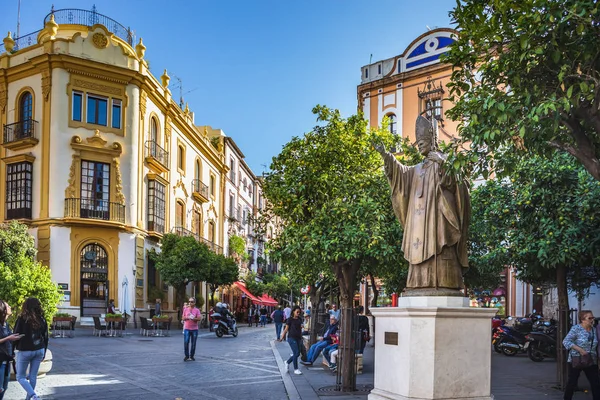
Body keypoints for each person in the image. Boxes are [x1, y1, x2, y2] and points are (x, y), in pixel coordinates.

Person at [375, 116, 470, 295]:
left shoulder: (446, 160)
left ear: (432, 140)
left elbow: (460, 183)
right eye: (417, 142)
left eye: (422, 141)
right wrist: (387, 156)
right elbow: (401, 174)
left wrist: (442, 162)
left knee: (442, 252)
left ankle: (444, 283)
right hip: (418, 226)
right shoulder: (416, 169)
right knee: (417, 252)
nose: (419, 145)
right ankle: (418, 283)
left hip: (439, 223)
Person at [14, 297, 49, 400]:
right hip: (39, 350)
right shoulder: (42, 319)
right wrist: (44, 352)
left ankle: (33, 396)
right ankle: (29, 398)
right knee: (33, 376)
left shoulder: (22, 319)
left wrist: (11, 350)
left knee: (20, 377)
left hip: (25, 350)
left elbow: (16, 335)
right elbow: (46, 337)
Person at [563, 310, 600, 400]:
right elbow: (566, 341)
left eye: (593, 317)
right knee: (572, 382)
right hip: (577, 359)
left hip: (591, 359)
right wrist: (580, 349)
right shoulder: (576, 329)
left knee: (595, 383)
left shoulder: (594, 330)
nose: (592, 320)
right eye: (590, 318)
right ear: (583, 320)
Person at [0, 300, 21, 400]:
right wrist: (9, 338)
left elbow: (9, 339)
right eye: (8, 306)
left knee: (4, 387)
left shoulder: (6, 324)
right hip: (0, 362)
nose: (10, 307)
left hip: (7, 360)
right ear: (2, 310)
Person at [279, 306, 303, 375]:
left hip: (298, 338)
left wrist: (301, 337)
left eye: (299, 312)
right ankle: (296, 369)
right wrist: (282, 337)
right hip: (291, 338)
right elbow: (286, 329)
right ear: (293, 312)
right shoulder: (289, 320)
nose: (298, 313)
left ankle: (287, 362)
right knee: (296, 352)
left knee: (297, 354)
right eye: (297, 312)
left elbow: (300, 329)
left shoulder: (300, 319)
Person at [182, 297, 200, 361]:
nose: (190, 303)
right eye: (189, 301)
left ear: (194, 303)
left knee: (193, 343)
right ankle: (186, 355)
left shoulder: (197, 310)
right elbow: (183, 318)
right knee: (186, 342)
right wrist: (187, 317)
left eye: (192, 302)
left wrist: (193, 318)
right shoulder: (185, 309)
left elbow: (199, 318)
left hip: (194, 329)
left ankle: (192, 355)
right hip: (187, 328)